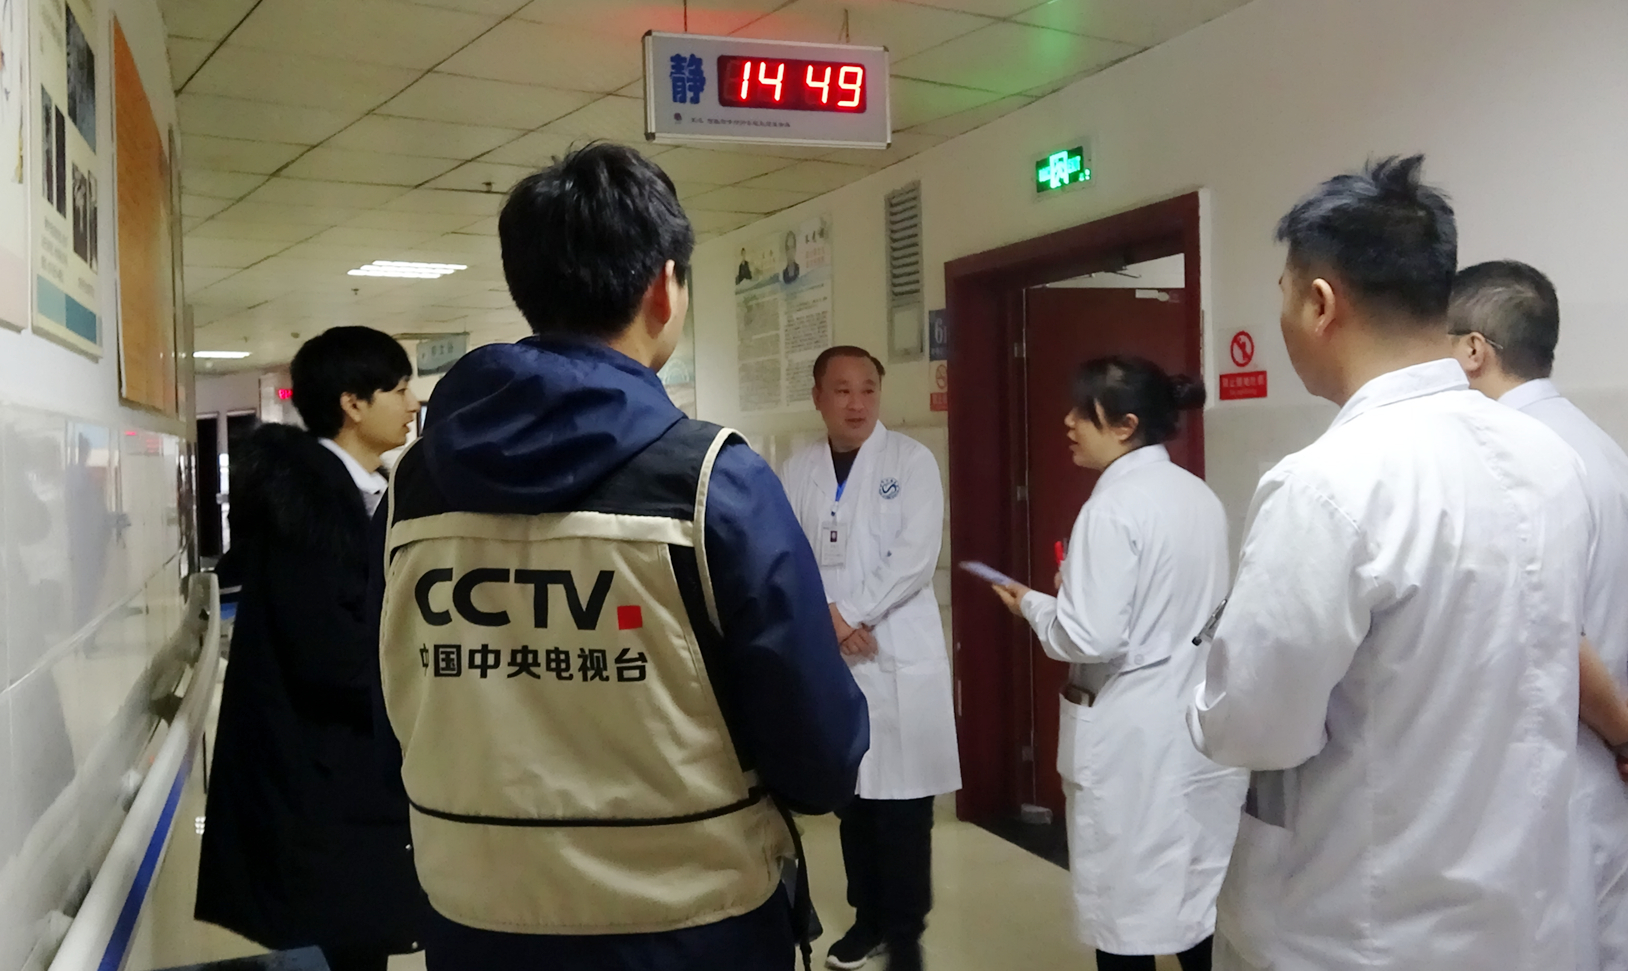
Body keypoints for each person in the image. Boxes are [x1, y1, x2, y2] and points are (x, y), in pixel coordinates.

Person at [373, 143, 869, 971]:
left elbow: (388, 703)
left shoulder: (411, 492)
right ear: (664, 288)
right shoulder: (714, 483)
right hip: (691, 926)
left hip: (476, 920)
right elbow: (819, 752)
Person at [1187, 156, 1592, 971]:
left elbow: (1251, 724)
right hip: (1528, 917)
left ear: (1320, 302)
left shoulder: (1328, 483)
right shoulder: (1550, 459)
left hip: (1365, 926)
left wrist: (1209, 670)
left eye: (1283, 293)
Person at [989, 356, 1246, 971]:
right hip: (1194, 724)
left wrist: (1034, 606)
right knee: (1193, 902)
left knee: (1125, 918)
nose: (1069, 422)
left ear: (1126, 425)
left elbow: (1088, 637)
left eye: (1085, 412)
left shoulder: (1112, 508)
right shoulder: (1196, 494)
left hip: (1132, 737)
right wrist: (1082, 593)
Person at [196, 326, 427, 971]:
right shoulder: (310, 509)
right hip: (322, 770)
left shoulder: (361, 492)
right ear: (353, 403)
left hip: (346, 765)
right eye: (399, 389)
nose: (413, 403)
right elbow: (330, 657)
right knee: (350, 935)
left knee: (359, 932)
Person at [1450, 259, 1628, 971]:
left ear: (1473, 350)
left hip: (1560, 764)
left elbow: (1557, 631)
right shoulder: (1598, 444)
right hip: (1594, 777)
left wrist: (1624, 733)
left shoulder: (1515, 458)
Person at [779, 346, 961, 971]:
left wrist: (847, 613)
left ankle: (905, 932)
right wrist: (829, 620)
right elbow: (788, 557)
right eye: (842, 390)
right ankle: (867, 920)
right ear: (818, 398)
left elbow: (915, 556)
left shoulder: (911, 462)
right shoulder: (797, 470)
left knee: (904, 809)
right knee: (852, 801)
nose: (856, 404)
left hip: (895, 648)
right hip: (836, 655)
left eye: (867, 390)